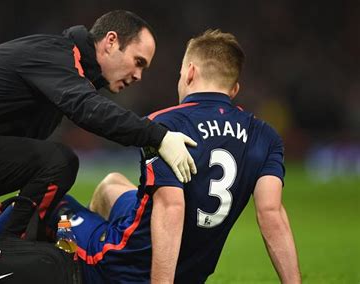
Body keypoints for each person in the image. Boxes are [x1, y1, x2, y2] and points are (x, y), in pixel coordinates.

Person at [0, 10, 197, 252]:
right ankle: (9, 252)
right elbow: (89, 110)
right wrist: (157, 135)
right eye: (138, 62)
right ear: (111, 41)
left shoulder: (61, 64)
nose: (139, 75)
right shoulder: (57, 55)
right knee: (59, 161)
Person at [52, 29, 301, 283]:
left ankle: (70, 269)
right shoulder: (264, 135)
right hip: (189, 273)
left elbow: (171, 207)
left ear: (190, 72)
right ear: (233, 89)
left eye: (181, 75)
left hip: (128, 269)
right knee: (110, 185)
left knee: (56, 207)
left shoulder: (164, 125)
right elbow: (271, 213)